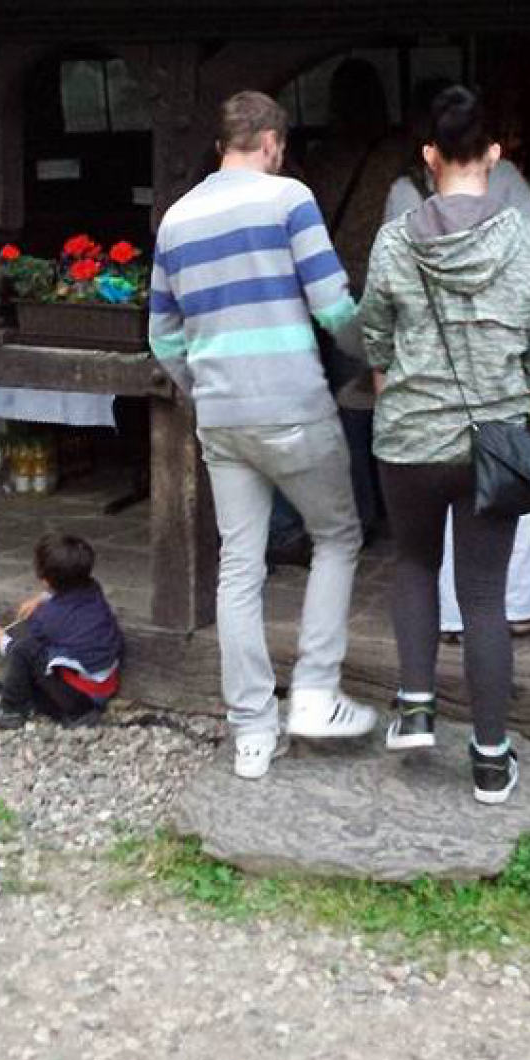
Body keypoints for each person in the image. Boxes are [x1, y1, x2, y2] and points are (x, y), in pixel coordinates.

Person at [149, 89, 376, 780]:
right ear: (272, 143)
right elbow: (333, 307)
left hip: (222, 416)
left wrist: (206, 386)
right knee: (338, 536)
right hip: (293, 403)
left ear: (222, 146)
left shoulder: (176, 219)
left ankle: (252, 730)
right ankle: (314, 693)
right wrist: (381, 354)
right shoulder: (290, 199)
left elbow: (162, 337)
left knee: (239, 565)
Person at [361, 86, 530, 805]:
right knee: (484, 597)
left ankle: (417, 707)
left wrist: (401, 401)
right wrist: (524, 426)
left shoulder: (395, 241)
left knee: (415, 564)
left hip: (409, 437)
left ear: (430, 156)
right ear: (495, 154)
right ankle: (489, 759)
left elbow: (376, 339)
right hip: (497, 437)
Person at [383, 82, 530, 636]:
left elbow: (389, 299)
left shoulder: (405, 193)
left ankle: (452, 617)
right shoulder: (504, 178)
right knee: (507, 475)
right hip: (502, 355)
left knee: (440, 489)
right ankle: (519, 605)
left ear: (428, 148)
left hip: (433, 367)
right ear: (490, 146)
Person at [0, 533, 124, 730]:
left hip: (80, 699)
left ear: (45, 579)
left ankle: (11, 710)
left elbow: (24, 650)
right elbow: (67, 592)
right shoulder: (93, 588)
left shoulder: (46, 618)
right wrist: (43, 598)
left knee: (24, 650)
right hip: (104, 687)